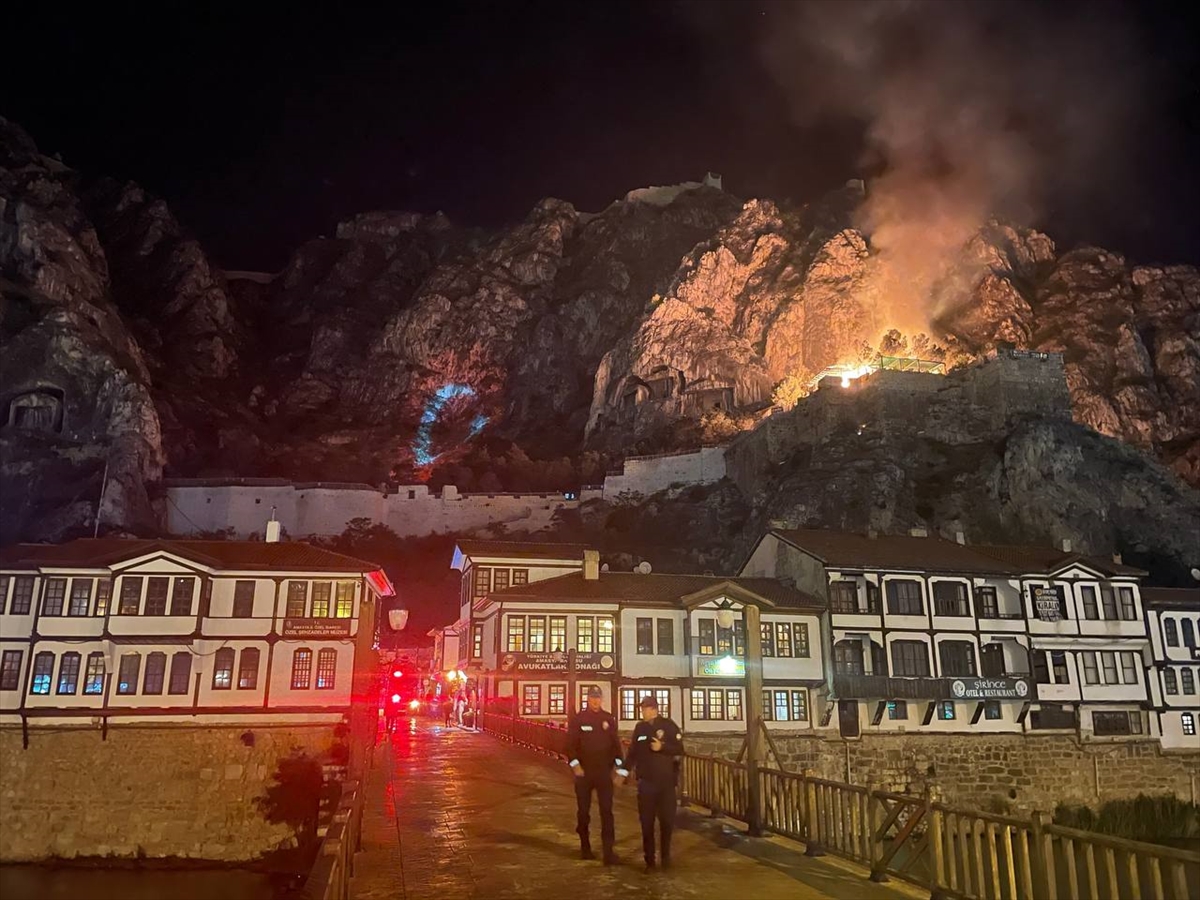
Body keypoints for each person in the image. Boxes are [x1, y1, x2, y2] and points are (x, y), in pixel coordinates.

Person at [565, 685, 624, 864]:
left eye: (598, 697)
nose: (595, 700)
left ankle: (608, 852)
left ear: (602, 699)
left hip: (604, 774)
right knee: (584, 812)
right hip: (584, 774)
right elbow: (569, 746)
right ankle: (585, 848)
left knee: (607, 812)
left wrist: (620, 770)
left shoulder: (609, 719)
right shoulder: (578, 719)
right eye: (592, 697)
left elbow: (616, 747)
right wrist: (575, 765)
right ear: (588, 699)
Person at [625, 695, 684, 872]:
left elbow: (680, 749)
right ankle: (649, 860)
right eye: (642, 708)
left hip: (666, 784)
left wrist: (663, 747)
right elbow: (633, 753)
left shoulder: (668, 725)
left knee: (666, 822)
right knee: (647, 823)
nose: (642, 711)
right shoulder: (640, 727)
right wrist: (623, 771)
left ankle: (665, 858)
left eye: (645, 708)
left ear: (654, 709)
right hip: (646, 784)